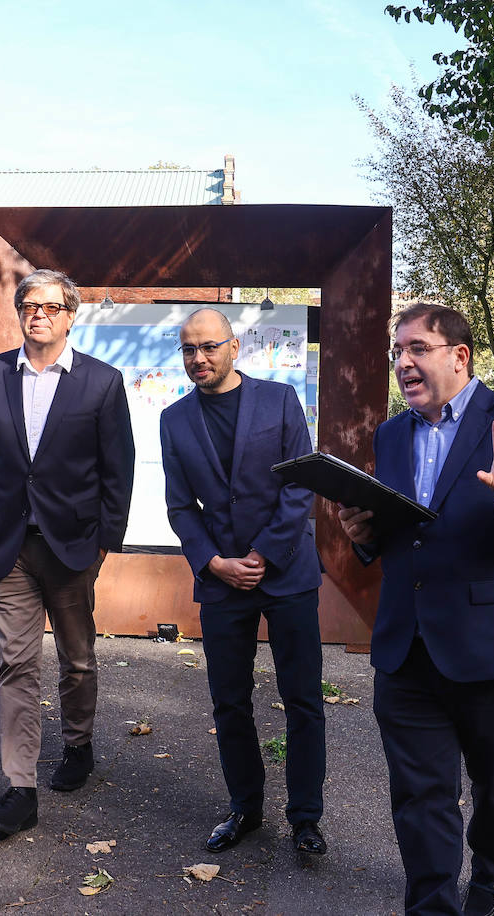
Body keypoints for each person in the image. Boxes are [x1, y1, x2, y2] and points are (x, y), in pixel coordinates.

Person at [338, 304, 494, 916]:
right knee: (420, 794)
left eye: (416, 348)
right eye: (398, 352)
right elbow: (401, 536)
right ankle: (432, 904)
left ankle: (493, 882)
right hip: (407, 646)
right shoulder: (391, 434)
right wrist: (361, 530)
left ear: (458, 356)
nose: (403, 363)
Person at [0, 269, 134, 836]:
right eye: (29, 305)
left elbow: (116, 471)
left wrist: (104, 544)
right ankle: (20, 786)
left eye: (51, 306)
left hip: (73, 548)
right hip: (8, 548)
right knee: (17, 665)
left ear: (71, 315)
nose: (39, 314)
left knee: (76, 660)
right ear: (19, 312)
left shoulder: (102, 382)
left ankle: (78, 744)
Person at [159, 308, 327, 856]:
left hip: (287, 572)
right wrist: (213, 562)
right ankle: (245, 808)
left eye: (208, 347)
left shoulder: (279, 400)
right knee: (229, 702)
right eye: (188, 350)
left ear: (234, 348)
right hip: (221, 580)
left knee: (302, 700)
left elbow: (301, 485)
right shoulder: (175, 420)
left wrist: (262, 554)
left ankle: (305, 818)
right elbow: (181, 507)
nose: (197, 359)